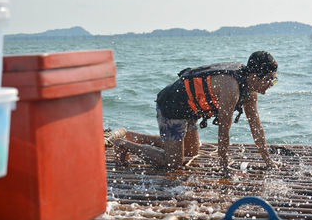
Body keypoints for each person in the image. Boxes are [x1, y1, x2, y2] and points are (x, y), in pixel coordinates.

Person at [112, 51, 280, 174]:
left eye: (274, 80)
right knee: (173, 163)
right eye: (270, 80)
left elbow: (256, 128)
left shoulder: (250, 92)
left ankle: (134, 136)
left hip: (190, 110)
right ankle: (123, 145)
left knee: (192, 151)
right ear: (255, 76)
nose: (271, 84)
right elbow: (224, 130)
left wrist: (268, 160)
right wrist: (224, 166)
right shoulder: (231, 88)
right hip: (172, 106)